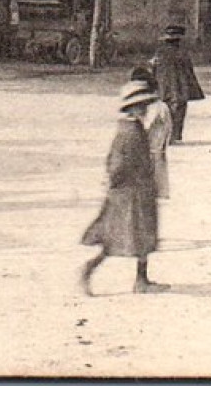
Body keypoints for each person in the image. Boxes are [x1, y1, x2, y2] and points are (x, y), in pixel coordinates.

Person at [80, 79, 166, 296]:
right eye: (142, 106)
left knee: (142, 236)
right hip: (130, 194)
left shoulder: (132, 128)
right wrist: (124, 185)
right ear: (133, 107)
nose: (145, 109)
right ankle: (89, 269)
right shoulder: (129, 133)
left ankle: (141, 280)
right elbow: (117, 165)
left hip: (137, 191)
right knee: (121, 238)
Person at [149, 25, 205, 143]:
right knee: (179, 110)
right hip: (180, 86)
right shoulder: (182, 53)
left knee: (165, 110)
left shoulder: (160, 52)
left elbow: (153, 68)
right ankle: (175, 135)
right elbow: (189, 71)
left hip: (164, 86)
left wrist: (154, 83)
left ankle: (166, 135)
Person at [129, 67, 172, 199]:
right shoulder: (162, 106)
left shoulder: (154, 107)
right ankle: (161, 191)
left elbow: (146, 126)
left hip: (151, 145)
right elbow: (169, 126)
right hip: (159, 146)